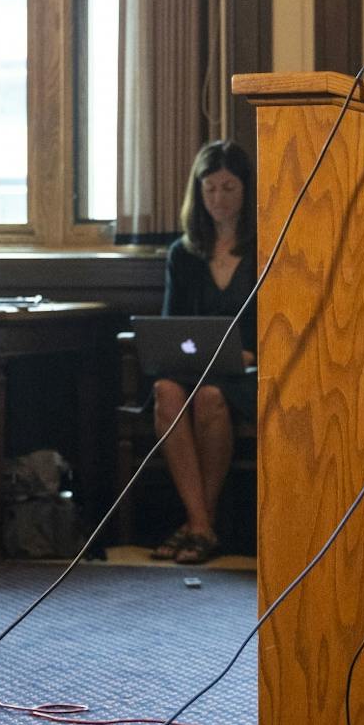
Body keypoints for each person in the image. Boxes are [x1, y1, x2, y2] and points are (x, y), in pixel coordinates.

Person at [149, 140, 256, 567]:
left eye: (229, 188)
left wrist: (251, 353)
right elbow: (170, 323)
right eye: (210, 188)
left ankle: (196, 525)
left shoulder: (265, 246)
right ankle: (201, 525)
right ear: (199, 191)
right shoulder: (184, 252)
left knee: (211, 398)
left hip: (246, 373)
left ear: (246, 191)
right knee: (165, 391)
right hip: (193, 366)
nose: (219, 199)